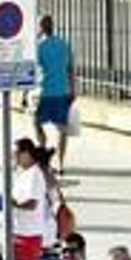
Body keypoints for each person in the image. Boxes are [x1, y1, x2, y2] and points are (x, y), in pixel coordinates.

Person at [34, 13, 76, 172]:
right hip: (62, 91)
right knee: (62, 128)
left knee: (36, 123)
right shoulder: (64, 44)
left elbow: (33, 71)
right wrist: (73, 90)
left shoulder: (39, 46)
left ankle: (43, 151)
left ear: (41, 27)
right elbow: (70, 69)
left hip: (45, 91)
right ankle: (60, 163)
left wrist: (25, 94)